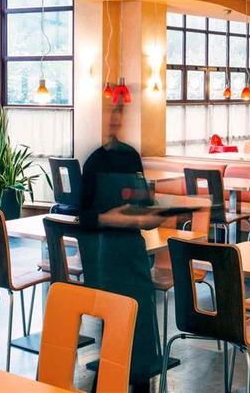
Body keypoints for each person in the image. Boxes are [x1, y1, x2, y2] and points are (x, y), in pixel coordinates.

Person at [78, 103, 165, 392]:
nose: (114, 119)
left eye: (117, 114)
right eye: (109, 114)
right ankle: (107, 383)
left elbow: (145, 208)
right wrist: (110, 218)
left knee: (142, 323)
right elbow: (83, 217)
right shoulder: (92, 163)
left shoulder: (131, 157)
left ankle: (140, 384)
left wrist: (154, 215)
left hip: (134, 254)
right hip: (105, 255)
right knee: (115, 325)